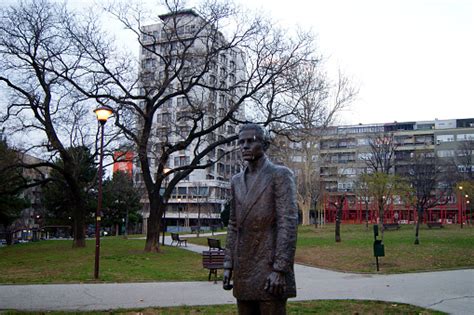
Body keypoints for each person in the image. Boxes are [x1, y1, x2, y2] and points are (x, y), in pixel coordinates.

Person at [223, 123, 298, 315]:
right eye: (241, 142)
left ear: (264, 145)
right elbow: (233, 225)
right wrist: (228, 264)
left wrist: (280, 270)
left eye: (250, 141)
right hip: (244, 269)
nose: (245, 146)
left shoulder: (279, 175)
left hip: (270, 269)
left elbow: (287, 224)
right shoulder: (236, 181)